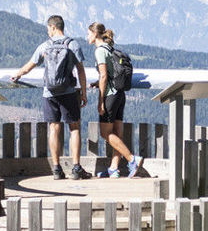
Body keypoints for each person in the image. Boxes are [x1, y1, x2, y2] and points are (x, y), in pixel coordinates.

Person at [8, 15, 94, 179]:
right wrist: (83, 92)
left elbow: (29, 66)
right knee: (74, 128)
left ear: (53, 27)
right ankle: (76, 168)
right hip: (68, 92)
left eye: (48, 28)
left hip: (49, 93)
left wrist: (17, 75)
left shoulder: (44, 47)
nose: (48, 31)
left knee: (54, 128)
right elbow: (81, 70)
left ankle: (56, 169)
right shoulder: (72, 44)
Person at [88, 22, 146, 177]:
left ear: (95, 34)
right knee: (117, 134)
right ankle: (114, 169)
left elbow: (104, 76)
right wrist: (97, 82)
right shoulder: (110, 48)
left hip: (110, 96)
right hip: (120, 94)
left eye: (88, 33)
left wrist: (100, 101)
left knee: (105, 133)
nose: (87, 36)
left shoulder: (100, 51)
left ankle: (132, 159)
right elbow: (110, 74)